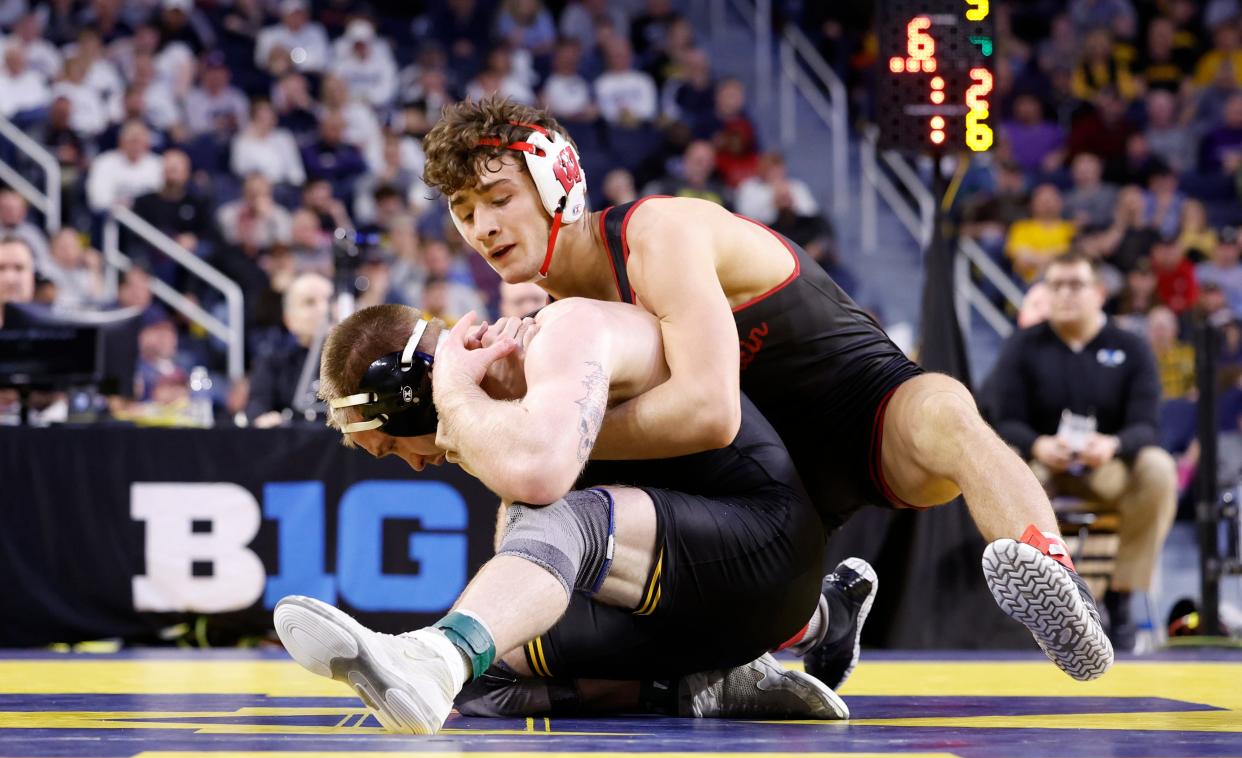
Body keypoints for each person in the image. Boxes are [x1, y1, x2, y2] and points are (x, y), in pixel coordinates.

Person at [417, 99, 1114, 681]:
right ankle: (823, 617)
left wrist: (556, 433)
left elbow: (708, 411)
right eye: (462, 209)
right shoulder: (551, 324)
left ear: (558, 181)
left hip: (858, 411)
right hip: (769, 473)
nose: (482, 226)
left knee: (945, 411)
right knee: (577, 500)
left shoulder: (656, 234)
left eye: (499, 198)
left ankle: (1050, 568)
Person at [277, 300, 868, 732]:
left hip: (768, 544)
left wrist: (456, 395)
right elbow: (525, 541)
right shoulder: (503, 410)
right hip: (697, 584)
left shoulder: (557, 339)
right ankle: (705, 688)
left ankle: (436, 658)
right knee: (493, 670)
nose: (411, 465)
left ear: (410, 389)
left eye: (393, 446)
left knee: (569, 525)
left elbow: (543, 488)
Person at [987, 252, 1177, 652]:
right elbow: (1002, 420)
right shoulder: (1023, 346)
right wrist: (1038, 443)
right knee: (1001, 476)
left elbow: (1148, 425)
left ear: (1099, 293)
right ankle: (1035, 603)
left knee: (1159, 468)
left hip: (1107, 467)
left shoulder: (1131, 346)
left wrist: (1113, 444)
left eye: (1075, 285)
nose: (1064, 294)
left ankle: (1121, 596)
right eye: (1055, 285)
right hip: (1043, 467)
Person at [246, 272, 333, 427]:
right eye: (310, 302)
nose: (324, 309)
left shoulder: (359, 360)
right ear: (289, 319)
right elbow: (257, 408)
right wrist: (265, 419)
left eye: (330, 300)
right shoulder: (273, 362)